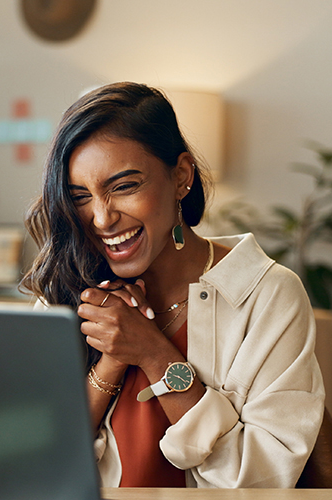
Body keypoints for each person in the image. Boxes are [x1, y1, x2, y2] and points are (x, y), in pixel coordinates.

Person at [21, 82, 325, 488]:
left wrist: (153, 354)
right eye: (80, 196)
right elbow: (33, 460)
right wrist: (112, 360)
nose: (101, 219)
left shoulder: (267, 295)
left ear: (181, 176)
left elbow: (260, 482)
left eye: (124, 186)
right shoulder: (67, 285)